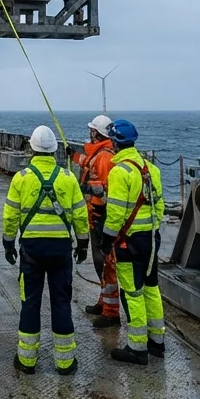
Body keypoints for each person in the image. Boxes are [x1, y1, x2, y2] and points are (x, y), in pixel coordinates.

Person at [2, 126, 89, 375]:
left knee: (30, 303)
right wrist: (82, 244)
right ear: (54, 150)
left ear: (31, 148)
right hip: (61, 249)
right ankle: (65, 363)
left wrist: (8, 243)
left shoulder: (21, 179)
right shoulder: (68, 178)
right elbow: (81, 216)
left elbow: (10, 215)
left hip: (31, 249)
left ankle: (27, 361)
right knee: (61, 302)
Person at [97, 118, 165, 364]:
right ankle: (157, 342)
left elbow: (115, 213)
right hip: (151, 239)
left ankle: (137, 348)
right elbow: (159, 206)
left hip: (129, 242)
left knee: (133, 293)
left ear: (114, 142)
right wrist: (152, 231)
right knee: (151, 288)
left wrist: (106, 241)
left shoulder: (119, 172)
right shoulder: (151, 169)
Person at [75, 114, 120, 328]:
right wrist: (74, 157)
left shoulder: (104, 156)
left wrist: (96, 212)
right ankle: (103, 302)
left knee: (105, 263)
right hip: (95, 216)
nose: (89, 133)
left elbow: (103, 188)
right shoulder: (100, 153)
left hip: (99, 217)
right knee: (99, 264)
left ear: (98, 133)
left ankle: (111, 311)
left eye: (92, 130)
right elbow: (88, 163)